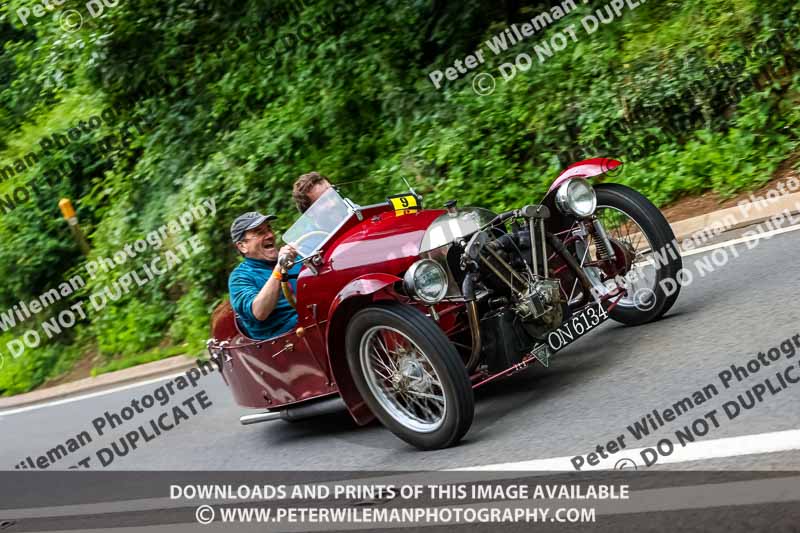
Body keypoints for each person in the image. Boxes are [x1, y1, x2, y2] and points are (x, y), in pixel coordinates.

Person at [228, 212, 300, 340]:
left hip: (317, 320)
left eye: (269, 229)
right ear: (242, 246)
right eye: (260, 232)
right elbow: (259, 311)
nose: (270, 235)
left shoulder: (296, 259)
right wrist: (280, 267)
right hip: (286, 341)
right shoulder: (239, 277)